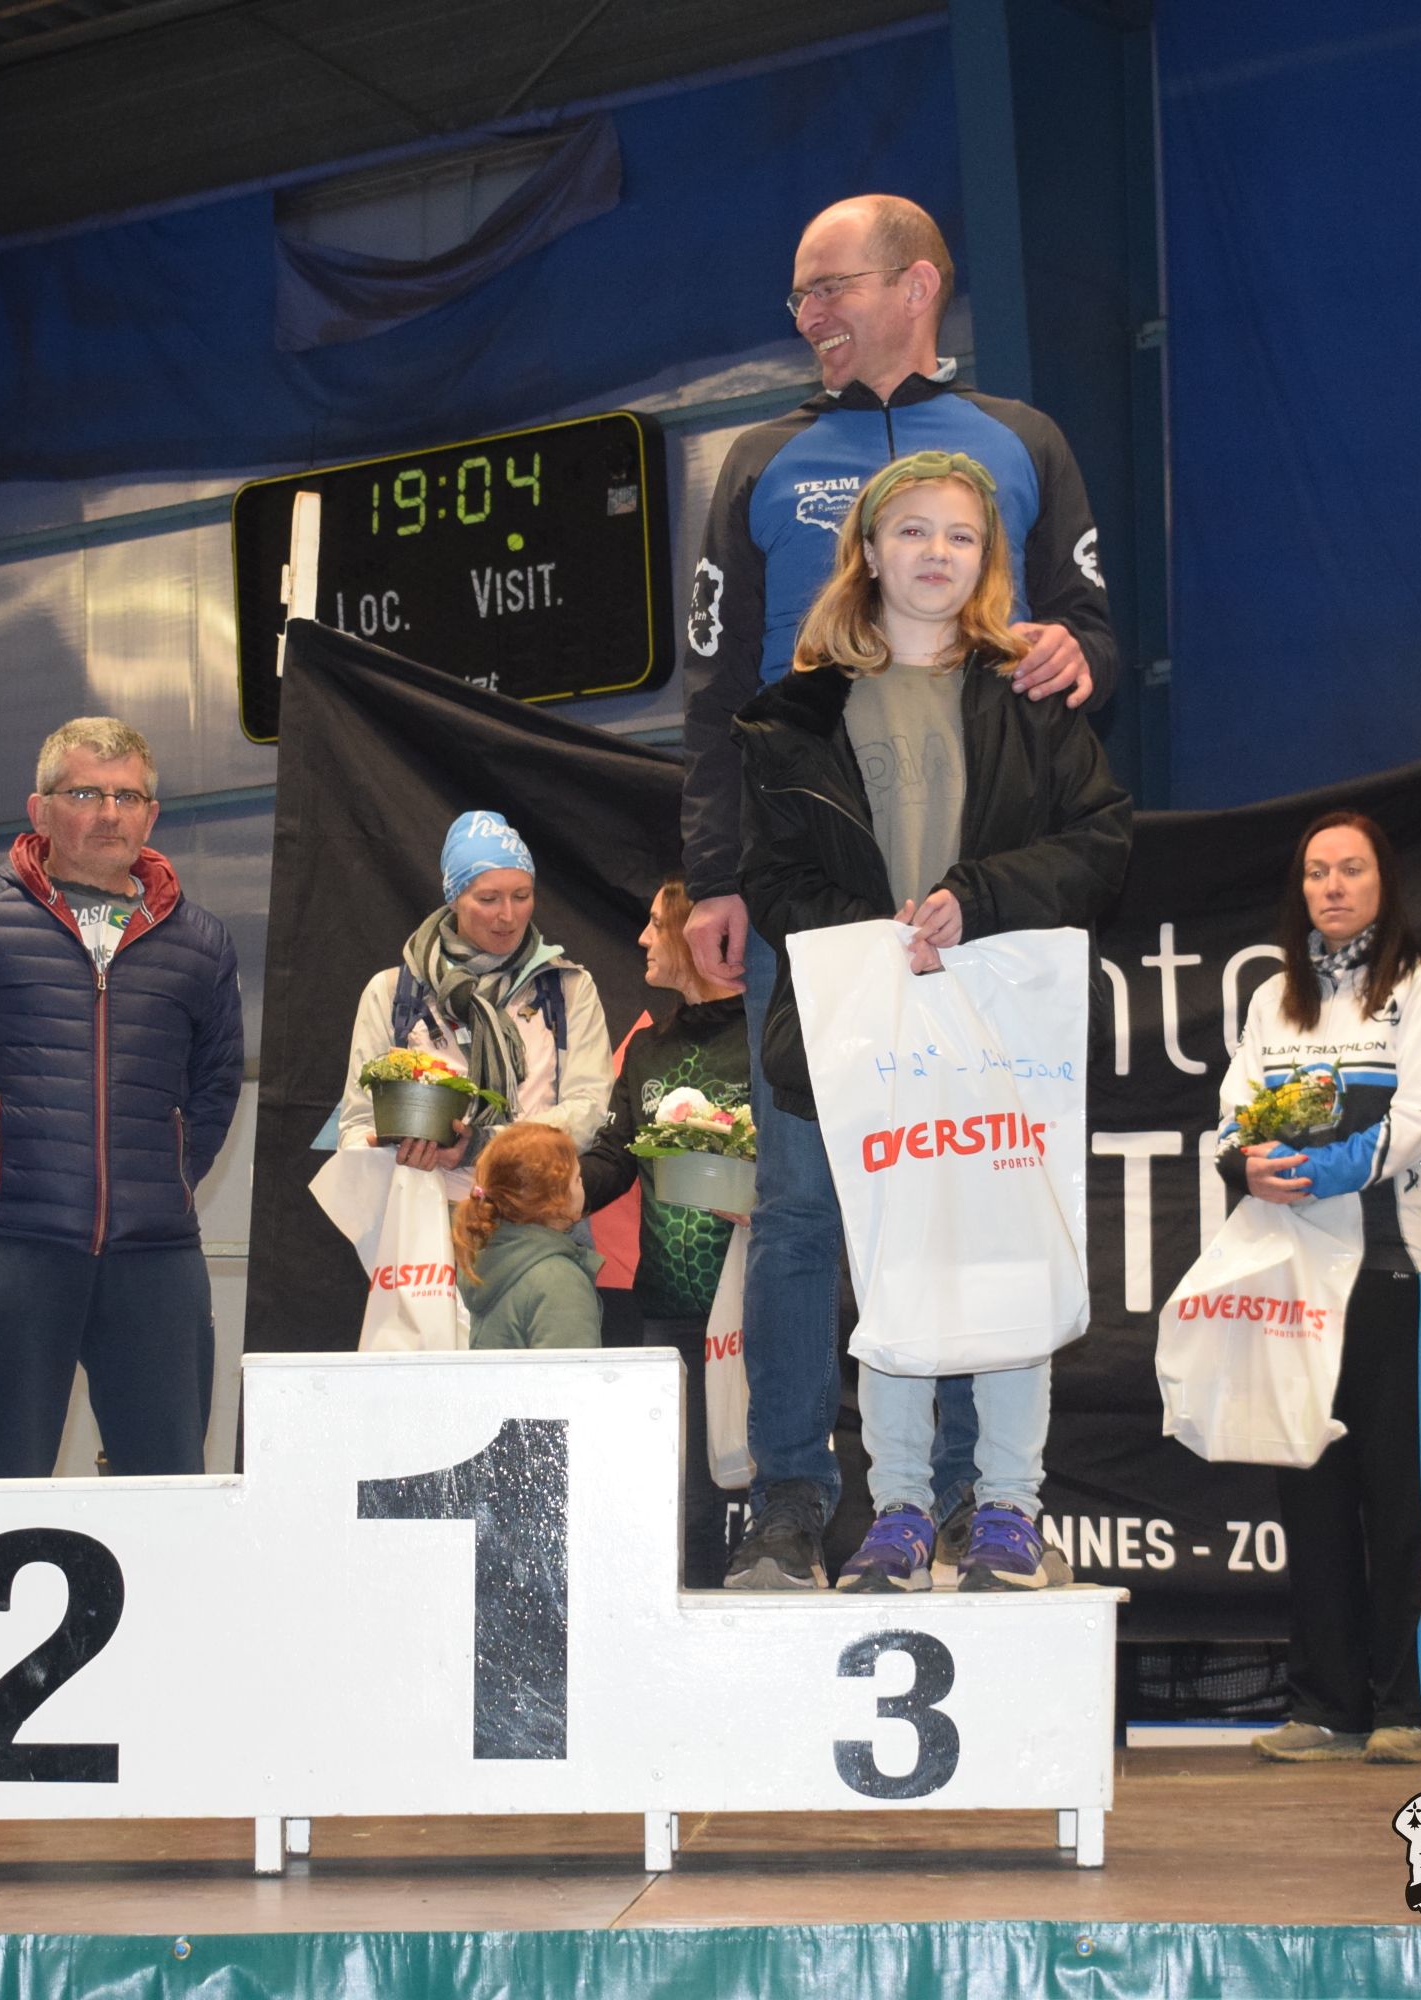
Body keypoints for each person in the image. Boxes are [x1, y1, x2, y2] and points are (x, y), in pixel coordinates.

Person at [677, 194, 1121, 1587]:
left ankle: (984, 1505)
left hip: (979, 906)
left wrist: (1074, 654)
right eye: (799, 296)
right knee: (804, 1205)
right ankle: (791, 1499)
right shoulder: (758, 457)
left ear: (918, 285)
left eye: (830, 287)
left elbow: (1094, 632)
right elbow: (714, 686)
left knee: (980, 1192)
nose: (807, 314)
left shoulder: (1024, 440)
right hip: (813, 902)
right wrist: (710, 877)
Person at [0, 715, 245, 1480]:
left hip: (156, 1256)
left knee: (171, 1490)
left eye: (127, 797)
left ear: (151, 814)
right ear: (40, 809)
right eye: (85, 793)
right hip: (12, 1250)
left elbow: (216, 1085)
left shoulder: (201, 942)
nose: (109, 813)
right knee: (5, 1491)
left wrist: (169, 1178)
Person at [1227, 812, 1421, 1766]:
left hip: (1389, 1267)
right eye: (1317, 872)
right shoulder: (1271, 999)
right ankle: (1324, 1705)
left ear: (1383, 881)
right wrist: (1245, 1162)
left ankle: (1402, 1708)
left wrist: (1321, 1169)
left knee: (1394, 1496)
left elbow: (1420, 1115)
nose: (1332, 886)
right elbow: (1234, 1114)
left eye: (1351, 869)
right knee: (1310, 1495)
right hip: (1292, 1275)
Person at [580, 877, 751, 1585]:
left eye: (657, 924)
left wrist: (768, 1194)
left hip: (762, 1305)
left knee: (780, 1486)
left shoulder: (771, 1037)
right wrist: (549, 1190)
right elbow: (614, 1157)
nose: (643, 938)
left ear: (696, 931)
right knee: (685, 1507)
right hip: (671, 1313)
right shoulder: (650, 1048)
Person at [335, 809, 612, 1171]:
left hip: (533, 1200)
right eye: (488, 899)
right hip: (424, 1200)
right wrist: (386, 1149)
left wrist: (489, 1145)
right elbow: (357, 1126)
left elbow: (589, 1112)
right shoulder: (392, 993)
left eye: (521, 895)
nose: (508, 915)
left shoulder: (566, 987)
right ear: (454, 898)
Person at [453, 1125, 603, 1351]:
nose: (583, 1184)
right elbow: (572, 1370)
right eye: (576, 1179)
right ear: (554, 1200)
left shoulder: (489, 1262)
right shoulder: (560, 1282)